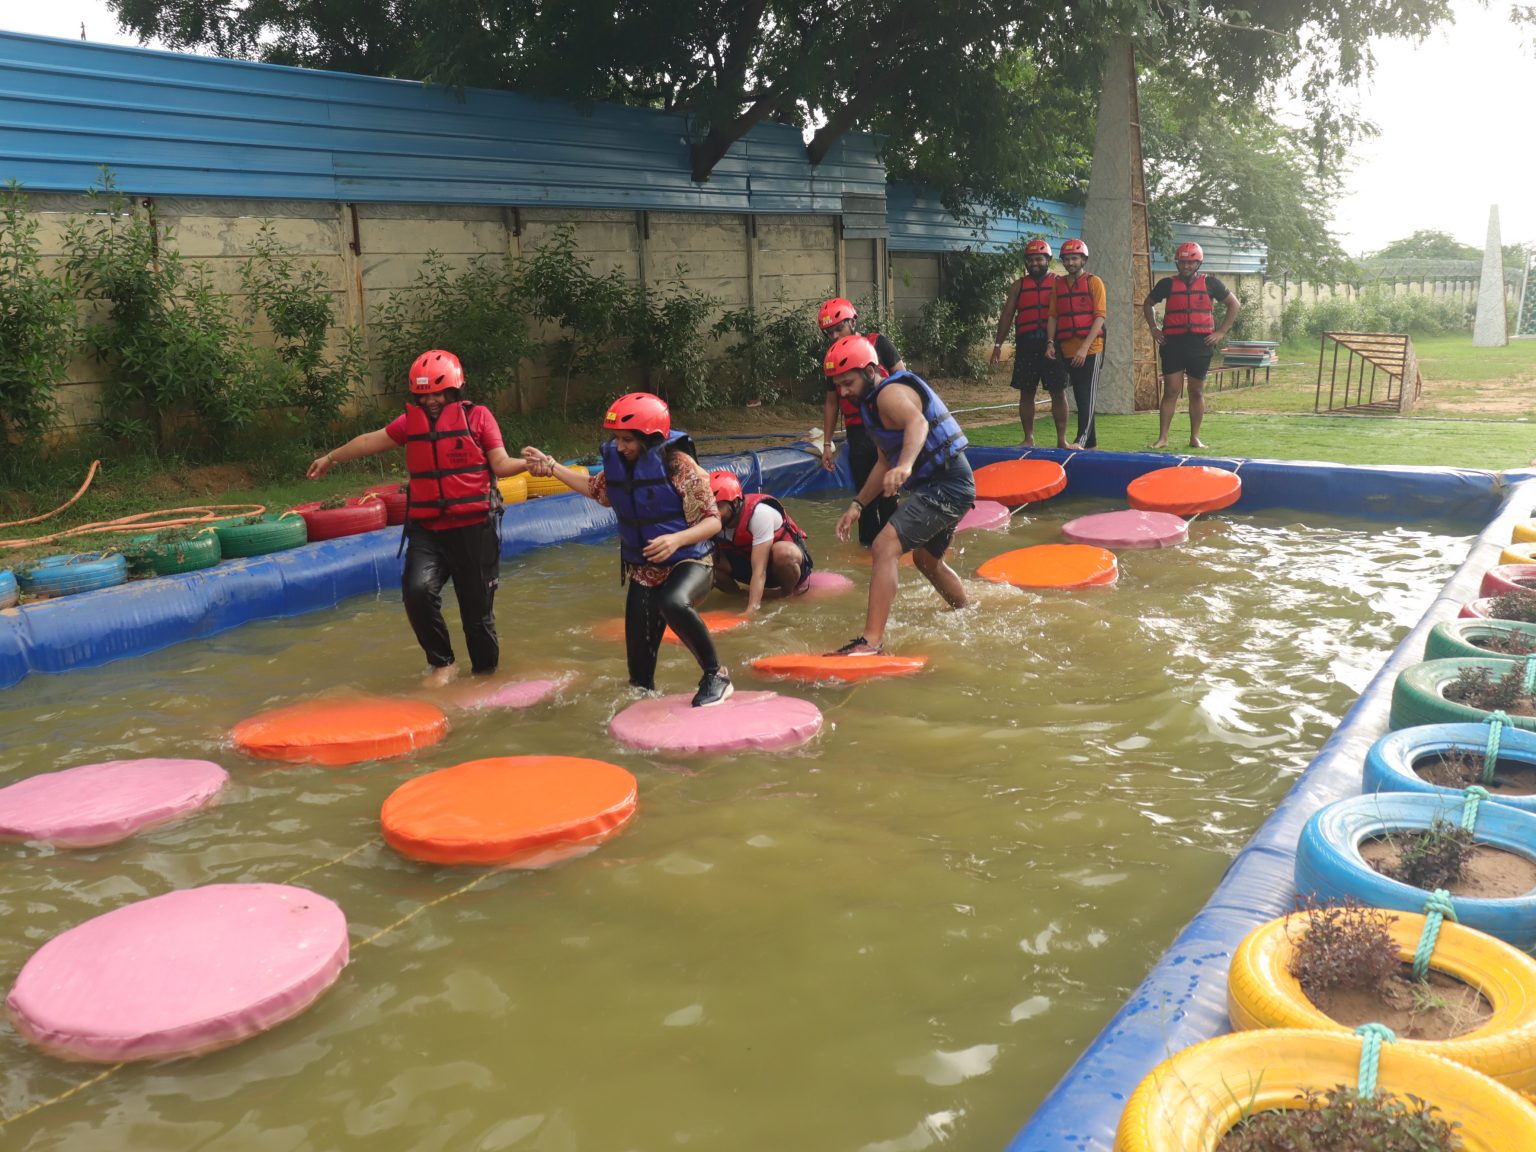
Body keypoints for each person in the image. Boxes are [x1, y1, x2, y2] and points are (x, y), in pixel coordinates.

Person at [306, 349, 533, 687]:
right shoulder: (409, 423)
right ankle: (443, 664)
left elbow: (500, 463)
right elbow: (370, 441)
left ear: (455, 390)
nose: (431, 401)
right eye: (424, 395)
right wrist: (331, 457)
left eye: (438, 394)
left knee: (477, 616)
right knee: (416, 592)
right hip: (428, 530)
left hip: (474, 530)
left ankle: (485, 680)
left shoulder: (479, 417)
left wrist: (530, 464)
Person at [524, 393, 733, 708]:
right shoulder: (620, 465)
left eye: (628, 440)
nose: (620, 447)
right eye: (617, 439)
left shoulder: (679, 465)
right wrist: (552, 467)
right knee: (638, 675)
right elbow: (594, 489)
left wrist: (676, 540)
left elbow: (712, 522)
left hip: (691, 561)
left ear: (650, 438)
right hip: (645, 571)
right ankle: (645, 702)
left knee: (672, 601)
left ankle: (716, 676)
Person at [822, 335, 973, 656]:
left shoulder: (889, 394)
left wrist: (905, 466)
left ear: (869, 371)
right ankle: (968, 614)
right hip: (950, 485)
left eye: (848, 383)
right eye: (838, 386)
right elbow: (883, 462)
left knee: (883, 546)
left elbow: (917, 423)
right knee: (926, 561)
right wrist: (857, 505)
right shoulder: (870, 407)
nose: (843, 393)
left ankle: (871, 643)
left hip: (947, 484)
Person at [817, 297, 903, 547]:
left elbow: (903, 379)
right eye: (829, 332)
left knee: (889, 493)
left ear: (853, 322)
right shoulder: (833, 359)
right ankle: (868, 549)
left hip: (885, 427)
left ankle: (894, 544)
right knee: (865, 495)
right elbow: (831, 402)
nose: (834, 336)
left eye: (839, 328)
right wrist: (826, 444)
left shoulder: (878, 344)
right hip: (858, 433)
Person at [1143, 241, 1242, 450]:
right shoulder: (1166, 284)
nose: (1186, 266)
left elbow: (1234, 304)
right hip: (1173, 343)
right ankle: (1163, 438)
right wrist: (1153, 328)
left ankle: (1194, 437)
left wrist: (1221, 332)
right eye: (1182, 262)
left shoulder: (1211, 283)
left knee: (1196, 391)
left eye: (1191, 263)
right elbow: (1148, 303)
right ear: (1177, 263)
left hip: (1200, 344)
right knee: (1171, 390)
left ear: (1198, 263)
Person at [990, 239, 1068, 448]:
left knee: (1058, 392)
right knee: (1026, 392)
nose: (1034, 263)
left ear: (1048, 260)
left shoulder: (1059, 282)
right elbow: (1007, 315)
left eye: (1039, 259)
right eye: (1031, 260)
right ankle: (1028, 438)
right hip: (1027, 345)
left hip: (1053, 346)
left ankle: (1062, 440)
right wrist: (997, 346)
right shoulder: (1018, 286)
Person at [708, 470, 813, 613]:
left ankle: (787, 596)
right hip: (747, 563)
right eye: (709, 507)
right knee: (705, 561)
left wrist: (751, 611)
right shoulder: (709, 519)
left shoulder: (759, 515)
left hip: (778, 566)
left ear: (735, 503)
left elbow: (759, 570)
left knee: (783, 553)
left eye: (718, 507)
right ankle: (738, 597)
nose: (712, 513)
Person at [1045, 238, 1106, 450]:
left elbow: (1100, 317)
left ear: (1083, 260)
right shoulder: (1058, 284)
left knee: (1087, 394)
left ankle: (1081, 440)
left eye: (1074, 258)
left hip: (1092, 348)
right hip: (1067, 348)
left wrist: (1084, 348)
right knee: (1080, 396)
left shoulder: (1094, 282)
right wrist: (1050, 343)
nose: (1070, 262)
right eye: (1067, 259)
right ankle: (1091, 446)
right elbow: (1053, 316)